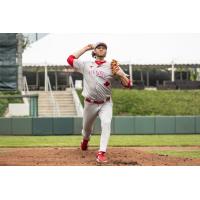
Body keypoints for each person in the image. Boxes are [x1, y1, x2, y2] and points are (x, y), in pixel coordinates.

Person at [67, 42, 131, 163]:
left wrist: (121, 74)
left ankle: (101, 152)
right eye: (99, 48)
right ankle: (85, 140)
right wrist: (86, 48)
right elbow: (70, 59)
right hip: (89, 103)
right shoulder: (85, 65)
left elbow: (128, 84)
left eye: (104, 48)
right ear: (95, 52)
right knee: (86, 129)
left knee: (106, 124)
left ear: (106, 52)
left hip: (105, 103)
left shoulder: (112, 66)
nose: (101, 49)